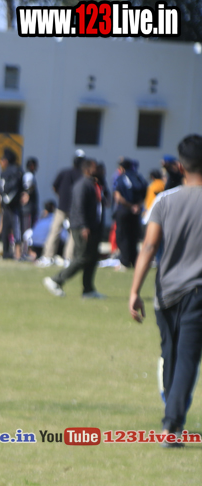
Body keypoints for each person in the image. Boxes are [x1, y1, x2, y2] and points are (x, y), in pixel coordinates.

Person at [129, 135, 202, 447]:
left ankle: (171, 417)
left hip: (165, 292)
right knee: (186, 358)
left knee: (171, 355)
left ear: (180, 166)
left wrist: (134, 291)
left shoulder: (164, 200)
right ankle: (172, 425)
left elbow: (148, 246)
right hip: (197, 293)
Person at [44, 159, 103, 299]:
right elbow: (79, 207)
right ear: (88, 169)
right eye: (95, 167)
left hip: (92, 226)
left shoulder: (92, 184)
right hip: (82, 227)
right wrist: (83, 226)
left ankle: (88, 289)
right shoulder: (82, 185)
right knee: (82, 257)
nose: (98, 170)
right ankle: (56, 280)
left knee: (92, 257)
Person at [39, 151, 86, 266]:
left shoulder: (64, 172)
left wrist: (61, 196)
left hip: (61, 207)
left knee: (55, 231)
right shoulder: (82, 176)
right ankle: (68, 257)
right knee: (73, 233)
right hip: (75, 209)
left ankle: (48, 256)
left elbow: (54, 187)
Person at [113, 158, 146, 269]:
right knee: (133, 236)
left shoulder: (121, 178)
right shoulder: (138, 177)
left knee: (122, 236)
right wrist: (137, 205)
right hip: (136, 211)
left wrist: (130, 205)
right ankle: (134, 260)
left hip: (124, 210)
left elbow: (118, 195)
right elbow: (144, 192)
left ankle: (124, 261)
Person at [0, 149, 24, 260]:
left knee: (8, 228)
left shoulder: (9, 172)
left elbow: (4, 188)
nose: (1, 162)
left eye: (2, 159)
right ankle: (16, 254)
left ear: (7, 160)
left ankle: (7, 252)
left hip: (9, 205)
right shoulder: (17, 171)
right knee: (15, 228)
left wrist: (5, 198)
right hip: (13, 204)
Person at [22, 157, 39, 235]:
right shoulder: (29, 176)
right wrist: (27, 194)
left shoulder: (29, 175)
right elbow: (27, 188)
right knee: (27, 228)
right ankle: (25, 243)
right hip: (28, 208)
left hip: (30, 207)